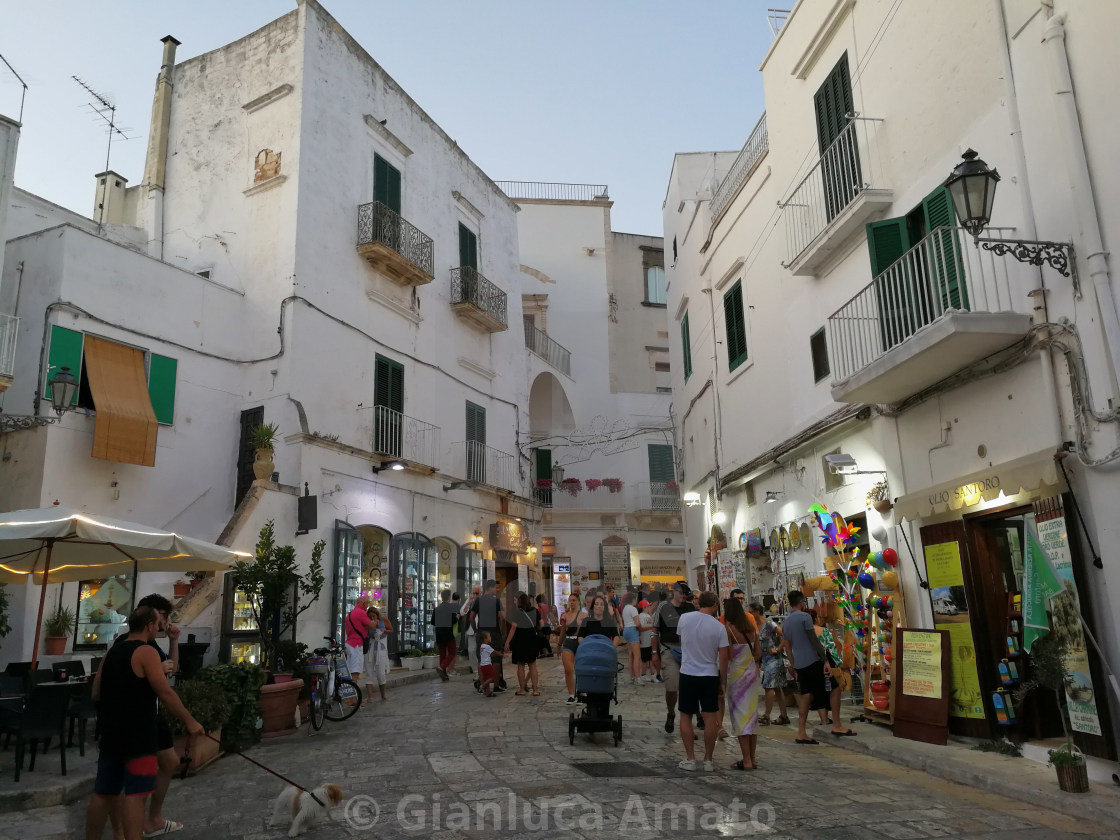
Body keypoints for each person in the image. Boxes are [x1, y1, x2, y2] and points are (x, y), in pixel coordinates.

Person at [85, 607, 203, 840]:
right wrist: (190, 721)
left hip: (111, 734)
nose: (159, 628)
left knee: (104, 794)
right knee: (136, 795)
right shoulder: (146, 652)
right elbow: (166, 693)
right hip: (139, 736)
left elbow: (96, 692)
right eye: (158, 624)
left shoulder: (113, 652)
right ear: (149, 626)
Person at [675, 591, 729, 772]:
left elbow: (683, 642)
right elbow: (723, 658)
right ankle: (708, 760)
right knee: (710, 717)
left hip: (688, 672)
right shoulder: (719, 627)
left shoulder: (684, 619)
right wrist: (723, 681)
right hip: (709, 674)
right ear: (714, 605)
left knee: (685, 715)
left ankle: (690, 758)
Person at [780, 591, 832, 745]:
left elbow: (787, 647)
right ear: (802, 602)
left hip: (800, 663)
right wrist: (825, 659)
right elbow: (814, 640)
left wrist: (793, 665)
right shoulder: (805, 617)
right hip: (812, 660)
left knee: (806, 694)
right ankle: (822, 723)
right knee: (819, 692)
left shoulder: (787, 622)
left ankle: (802, 730)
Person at [650, 581, 697, 734]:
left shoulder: (690, 608)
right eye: (682, 593)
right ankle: (671, 712)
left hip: (688, 650)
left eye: (686, 593)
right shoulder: (664, 607)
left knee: (690, 685)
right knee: (672, 686)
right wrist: (655, 653)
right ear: (674, 592)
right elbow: (655, 630)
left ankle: (692, 717)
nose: (684, 596)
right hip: (669, 648)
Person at [724, 598, 762, 770]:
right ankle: (752, 758)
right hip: (752, 674)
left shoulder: (729, 630)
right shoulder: (752, 630)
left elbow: (729, 655)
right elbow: (758, 653)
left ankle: (745, 759)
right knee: (751, 717)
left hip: (737, 676)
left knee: (740, 718)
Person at [812, 608, 856, 736]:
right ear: (816, 619)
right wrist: (839, 664)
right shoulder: (824, 631)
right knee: (833, 689)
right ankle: (836, 722)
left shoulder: (804, 633)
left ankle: (824, 720)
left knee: (818, 691)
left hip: (811, 663)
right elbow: (832, 649)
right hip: (827, 663)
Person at [749, 602, 789, 726]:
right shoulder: (754, 625)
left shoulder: (768, 623)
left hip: (774, 658)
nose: (749, 614)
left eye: (751, 612)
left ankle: (766, 715)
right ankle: (783, 715)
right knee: (777, 688)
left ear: (756, 612)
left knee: (768, 686)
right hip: (765, 659)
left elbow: (785, 634)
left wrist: (778, 648)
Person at [470, 580, 507, 691]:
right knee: (495, 660)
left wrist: (476, 629)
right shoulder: (496, 601)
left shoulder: (478, 601)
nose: (497, 590)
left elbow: (471, 617)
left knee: (481, 659)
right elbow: (501, 617)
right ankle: (496, 685)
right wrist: (501, 631)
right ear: (490, 588)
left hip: (482, 632)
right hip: (494, 632)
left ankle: (483, 686)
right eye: (496, 588)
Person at [506, 593, 541, 695]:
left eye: (515, 600)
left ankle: (522, 690)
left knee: (521, 665)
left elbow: (513, 628)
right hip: (532, 640)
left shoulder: (517, 613)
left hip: (520, 641)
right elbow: (541, 624)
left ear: (520, 600)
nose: (514, 602)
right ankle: (535, 690)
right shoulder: (535, 610)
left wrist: (507, 641)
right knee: (533, 665)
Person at [557, 594, 585, 704]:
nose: (572, 602)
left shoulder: (584, 616)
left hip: (580, 642)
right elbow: (563, 631)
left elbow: (586, 631)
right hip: (568, 642)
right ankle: (571, 694)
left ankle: (582, 692)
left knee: (580, 669)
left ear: (578, 602)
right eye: (570, 600)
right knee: (568, 670)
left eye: (574, 600)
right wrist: (559, 645)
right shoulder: (565, 616)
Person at [363, 606, 393, 701]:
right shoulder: (367, 622)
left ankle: (383, 695)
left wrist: (384, 631)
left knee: (380, 673)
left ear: (377, 615)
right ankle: (370, 696)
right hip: (370, 648)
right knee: (369, 672)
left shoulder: (383, 620)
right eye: (370, 616)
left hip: (381, 647)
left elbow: (391, 630)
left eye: (374, 616)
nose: (372, 618)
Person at [431, 589, 459, 680]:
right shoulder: (450, 608)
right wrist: (457, 617)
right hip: (448, 634)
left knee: (442, 654)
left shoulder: (437, 608)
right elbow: (454, 621)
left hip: (439, 634)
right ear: (449, 598)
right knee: (452, 652)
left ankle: (444, 675)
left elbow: (433, 622)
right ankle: (442, 667)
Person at [345, 595, 372, 683]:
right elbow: (370, 625)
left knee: (350, 669)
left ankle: (351, 693)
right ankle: (353, 694)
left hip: (349, 643)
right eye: (367, 603)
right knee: (355, 671)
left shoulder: (350, 614)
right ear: (363, 603)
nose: (367, 605)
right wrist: (376, 622)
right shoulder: (361, 612)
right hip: (356, 644)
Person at [621, 592, 642, 685]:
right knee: (637, 656)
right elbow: (637, 623)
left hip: (626, 630)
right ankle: (638, 677)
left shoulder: (625, 608)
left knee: (631, 655)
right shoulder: (633, 609)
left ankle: (632, 676)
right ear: (633, 599)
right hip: (633, 630)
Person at [461, 585, 481, 673]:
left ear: (480, 593)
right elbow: (462, 612)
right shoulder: (470, 601)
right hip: (471, 630)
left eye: (477, 593)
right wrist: (469, 601)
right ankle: (476, 670)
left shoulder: (483, 601)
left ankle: (482, 671)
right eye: (473, 593)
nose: (475, 595)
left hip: (481, 629)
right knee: (471, 650)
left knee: (481, 651)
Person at [477, 632, 502, 697]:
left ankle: (488, 692)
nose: (490, 638)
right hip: (487, 665)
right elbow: (495, 652)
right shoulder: (487, 646)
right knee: (492, 677)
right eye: (489, 636)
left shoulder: (482, 646)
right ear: (485, 639)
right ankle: (483, 686)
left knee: (486, 678)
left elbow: (488, 654)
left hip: (482, 665)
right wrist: (502, 654)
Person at [636, 600, 656, 683]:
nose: (649, 607)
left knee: (651, 659)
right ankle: (643, 675)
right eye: (648, 606)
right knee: (644, 660)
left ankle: (653, 675)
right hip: (644, 642)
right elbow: (641, 628)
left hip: (649, 641)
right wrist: (651, 627)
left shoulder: (648, 615)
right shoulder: (641, 616)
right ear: (644, 607)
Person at [535, 593, 554, 658]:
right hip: (547, 624)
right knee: (545, 639)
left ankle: (542, 653)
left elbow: (538, 618)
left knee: (541, 639)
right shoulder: (547, 606)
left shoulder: (539, 608)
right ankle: (549, 651)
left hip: (541, 625)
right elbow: (550, 616)